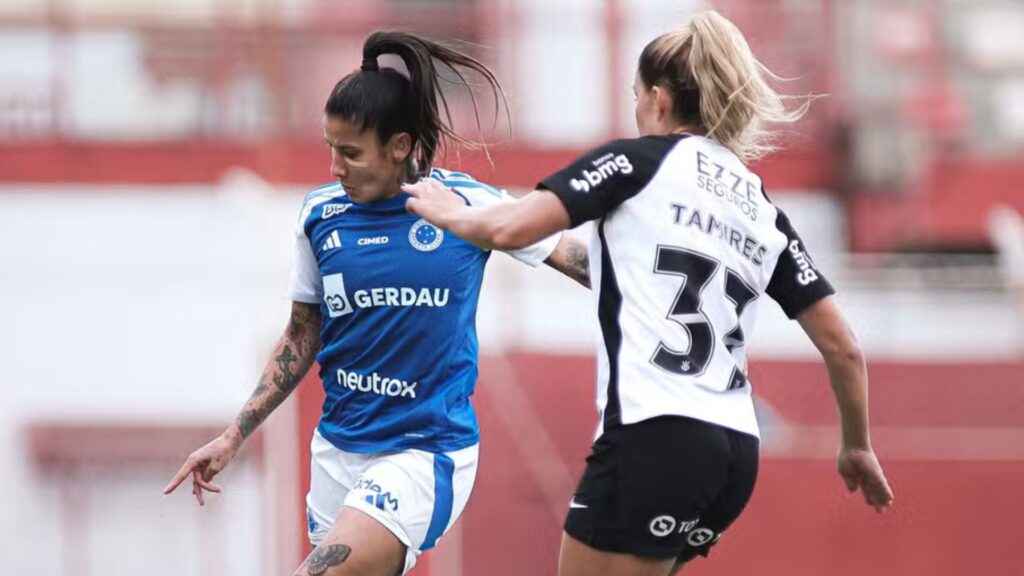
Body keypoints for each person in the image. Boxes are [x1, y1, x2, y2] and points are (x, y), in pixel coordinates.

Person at [403, 10, 894, 576]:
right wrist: (857, 444)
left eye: (636, 96)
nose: (636, 109)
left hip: (654, 433)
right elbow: (844, 347)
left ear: (659, 100)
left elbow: (511, 226)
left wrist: (447, 210)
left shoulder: (636, 164)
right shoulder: (763, 211)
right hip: (735, 454)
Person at [163, 31, 589, 576]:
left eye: (351, 153)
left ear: (400, 146)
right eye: (330, 148)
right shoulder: (320, 216)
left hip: (424, 454)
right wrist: (233, 435)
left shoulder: (465, 205)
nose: (335, 168)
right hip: (337, 452)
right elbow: (301, 333)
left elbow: (581, 262)